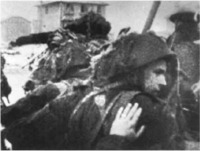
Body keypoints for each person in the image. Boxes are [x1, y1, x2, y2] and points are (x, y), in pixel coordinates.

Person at [2, 32, 186, 150]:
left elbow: (14, 130)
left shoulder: (75, 91)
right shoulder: (73, 92)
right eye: (157, 73)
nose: (164, 81)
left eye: (165, 73)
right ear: (135, 71)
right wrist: (116, 140)